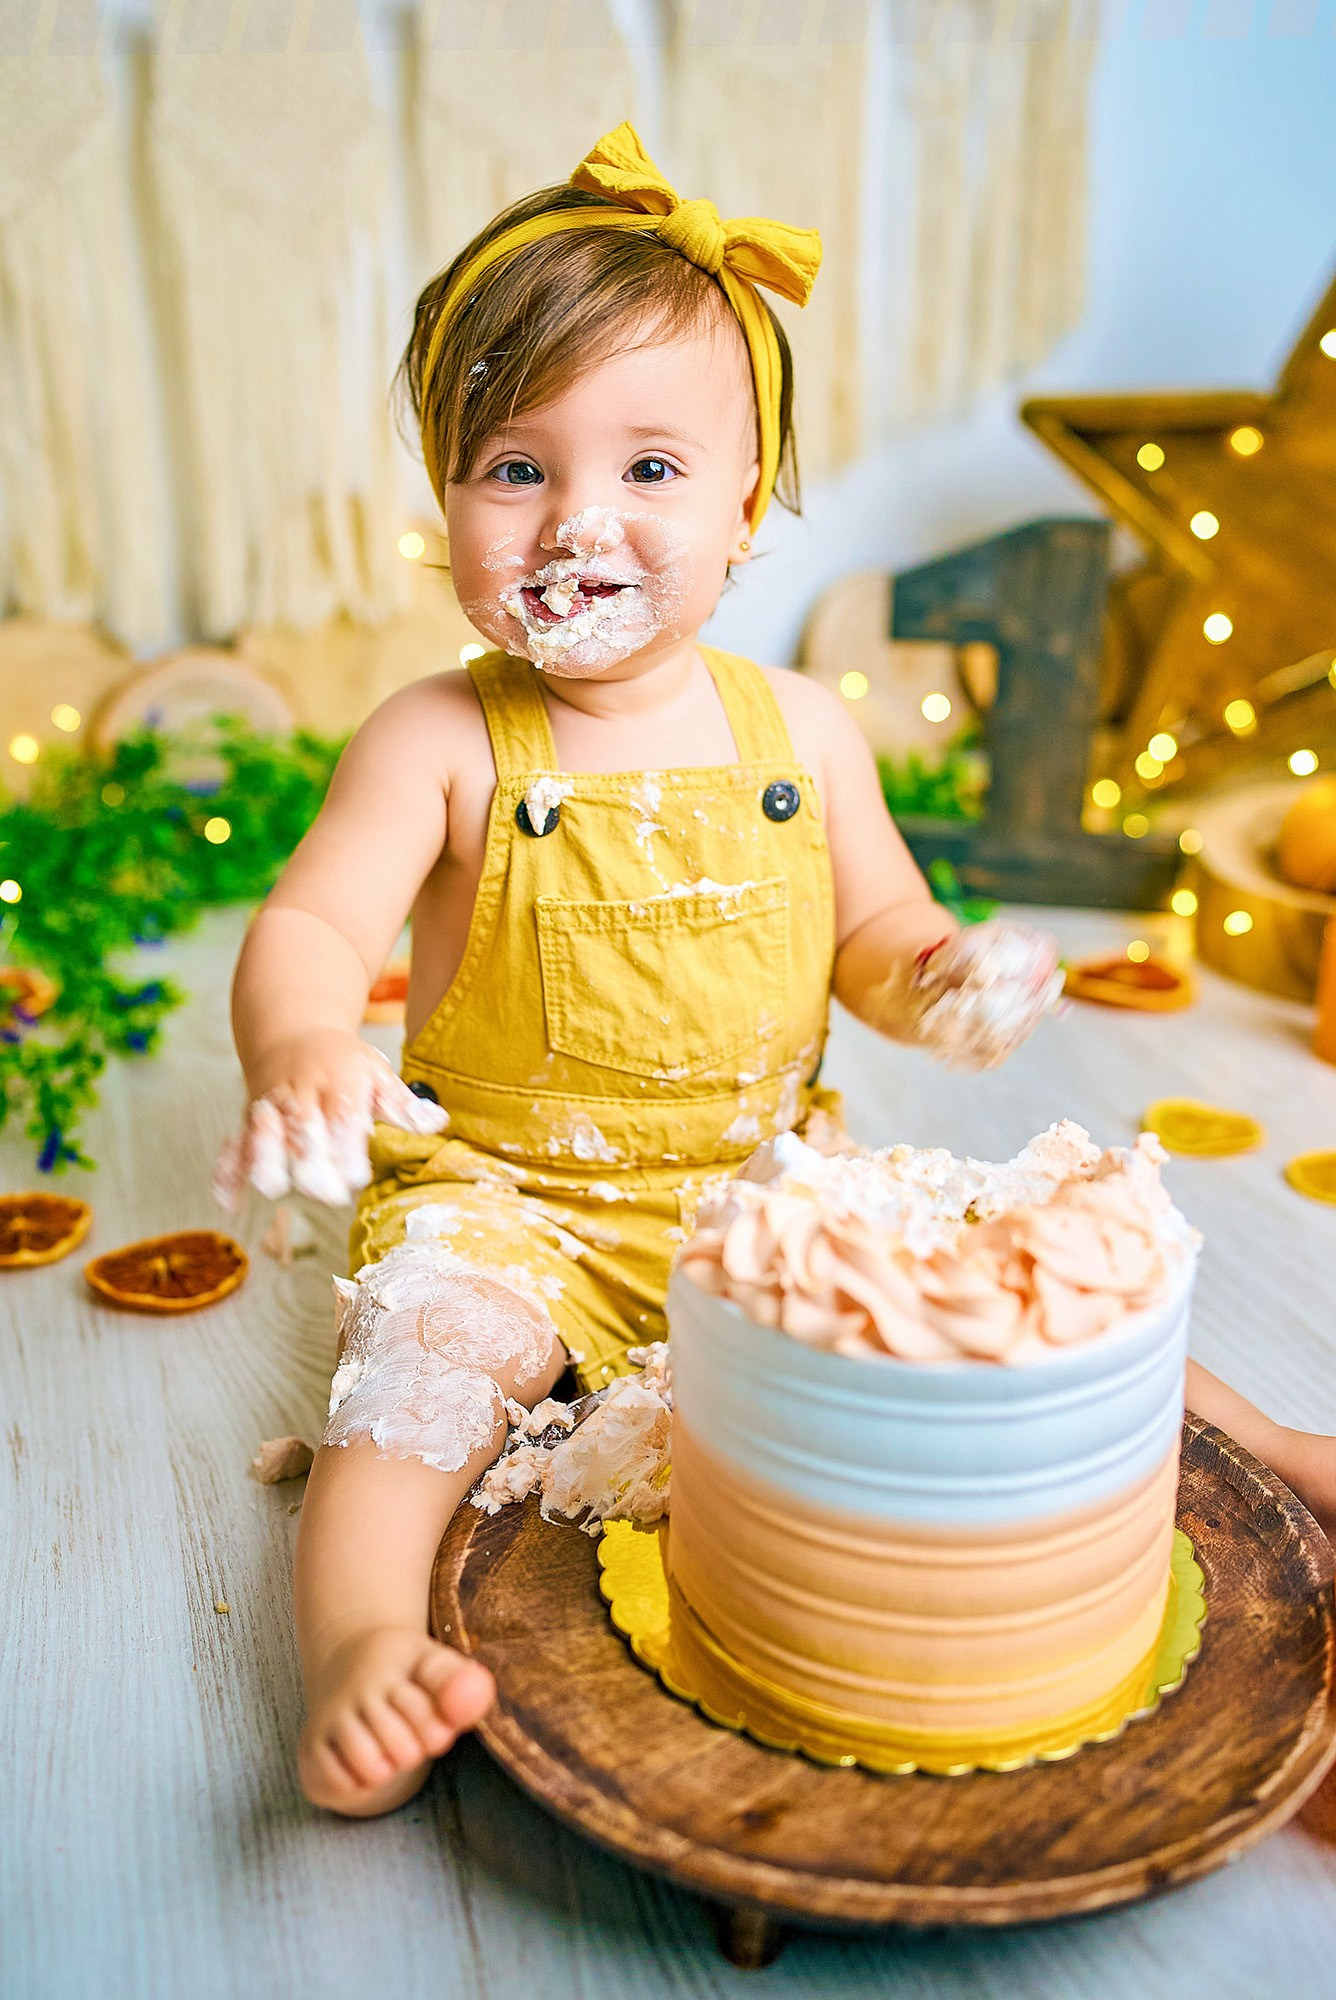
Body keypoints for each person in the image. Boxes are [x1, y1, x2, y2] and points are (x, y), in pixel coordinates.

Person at [217, 125, 1333, 1819]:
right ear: (445, 498)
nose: (579, 518)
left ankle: (1276, 1448)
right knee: (420, 1380)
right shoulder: (440, 739)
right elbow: (310, 925)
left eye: (652, 469)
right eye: (516, 467)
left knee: (1011, 1279)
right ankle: (363, 1644)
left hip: (765, 1186)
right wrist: (302, 1039)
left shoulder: (802, 732)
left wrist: (945, 975)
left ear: (749, 507)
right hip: (505, 1186)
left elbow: (877, 936)